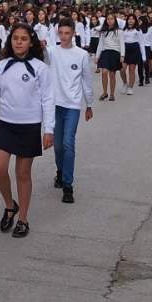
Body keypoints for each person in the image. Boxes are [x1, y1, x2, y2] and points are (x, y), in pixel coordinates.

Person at [0, 24, 54, 238]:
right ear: (10, 41)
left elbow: (48, 100)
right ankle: (10, 205)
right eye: (15, 38)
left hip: (30, 126)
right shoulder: (2, 66)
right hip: (6, 124)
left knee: (23, 173)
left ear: (31, 42)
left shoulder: (40, 68)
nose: (19, 42)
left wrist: (49, 129)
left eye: (23, 38)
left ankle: (23, 219)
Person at [47, 18, 94, 204]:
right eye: (61, 33)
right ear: (58, 33)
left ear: (73, 34)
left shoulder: (81, 54)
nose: (64, 37)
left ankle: (68, 185)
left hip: (73, 105)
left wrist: (89, 104)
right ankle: (60, 170)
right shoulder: (51, 52)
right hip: (54, 105)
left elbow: (87, 80)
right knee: (57, 145)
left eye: (68, 33)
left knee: (68, 143)